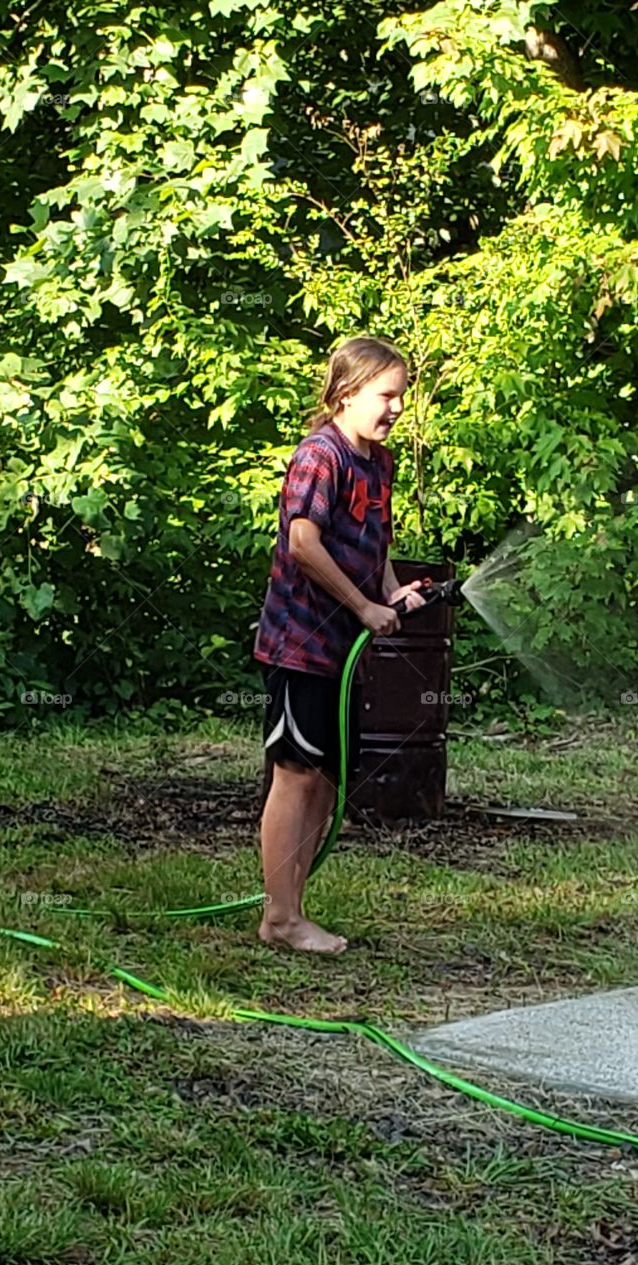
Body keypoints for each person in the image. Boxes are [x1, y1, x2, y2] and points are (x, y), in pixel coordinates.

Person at [252, 336, 427, 954]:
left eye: (401, 397)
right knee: (296, 775)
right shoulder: (318, 457)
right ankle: (280, 916)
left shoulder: (377, 461)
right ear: (347, 394)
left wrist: (390, 593)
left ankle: (292, 910)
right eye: (387, 395)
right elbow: (303, 542)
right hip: (301, 644)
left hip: (343, 647)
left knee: (327, 778)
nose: (396, 408)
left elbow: (375, 537)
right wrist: (363, 607)